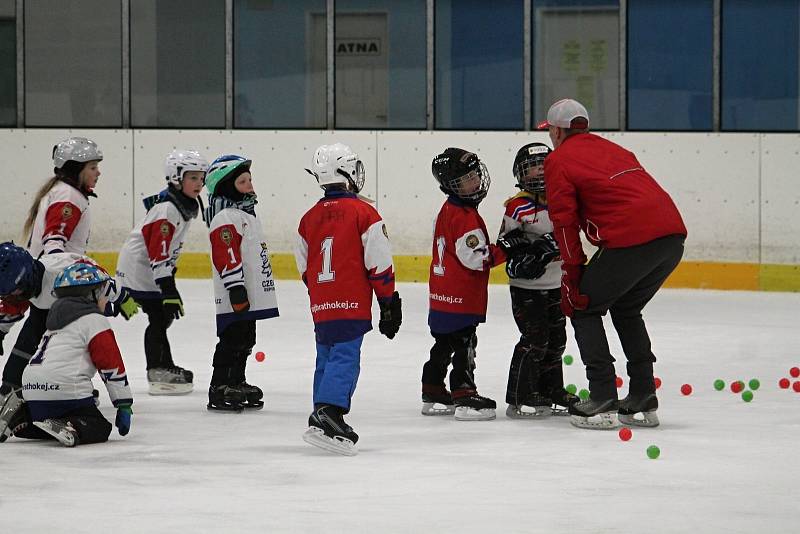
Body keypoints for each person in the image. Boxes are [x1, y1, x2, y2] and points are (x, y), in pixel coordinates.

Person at [538, 98, 687, 429]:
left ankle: (602, 397)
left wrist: (572, 275)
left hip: (631, 240)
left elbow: (564, 221)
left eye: (550, 131)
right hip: (672, 239)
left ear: (558, 131)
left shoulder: (559, 160)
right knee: (626, 308)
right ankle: (643, 396)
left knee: (583, 307)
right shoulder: (616, 150)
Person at [294, 143, 401, 456]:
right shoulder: (364, 213)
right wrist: (388, 302)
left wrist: (320, 292)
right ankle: (330, 412)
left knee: (326, 354)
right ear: (347, 171)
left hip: (321, 302)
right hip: (351, 301)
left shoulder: (308, 217)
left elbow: (304, 265)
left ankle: (319, 414)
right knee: (345, 356)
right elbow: (378, 262)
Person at [423, 148, 525, 421]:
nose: (475, 181)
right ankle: (463, 393)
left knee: (442, 345)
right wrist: (506, 248)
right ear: (450, 186)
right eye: (465, 179)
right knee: (464, 345)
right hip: (460, 297)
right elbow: (477, 259)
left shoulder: (447, 210)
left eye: (474, 174)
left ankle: (432, 389)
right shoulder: (465, 217)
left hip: (442, 296)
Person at [0, 263, 133, 446]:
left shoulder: (54, 320)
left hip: (31, 387)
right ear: (91, 295)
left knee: (43, 423)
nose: (106, 298)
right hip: (65, 388)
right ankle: (69, 425)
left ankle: (20, 415)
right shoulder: (95, 321)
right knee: (99, 426)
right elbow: (110, 363)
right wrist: (123, 402)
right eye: (103, 293)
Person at [116, 149, 208, 395]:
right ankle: (157, 371)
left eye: (201, 178)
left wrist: (168, 283)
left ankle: (162, 366)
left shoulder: (182, 204)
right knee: (159, 315)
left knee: (162, 316)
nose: (199, 183)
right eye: (193, 178)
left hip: (149, 269)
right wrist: (168, 288)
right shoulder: (167, 209)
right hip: (139, 270)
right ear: (176, 178)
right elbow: (158, 251)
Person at [0, 243, 137, 408]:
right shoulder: (25, 282)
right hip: (49, 306)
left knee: (70, 347)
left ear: (26, 279)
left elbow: (102, 281)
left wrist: (122, 297)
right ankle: (9, 389)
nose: (12, 297)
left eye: (13, 292)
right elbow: (13, 305)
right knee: (26, 342)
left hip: (79, 303)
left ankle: (73, 392)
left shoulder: (64, 274)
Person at [499, 142, 577, 419]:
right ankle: (519, 396)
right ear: (520, 174)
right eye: (531, 167)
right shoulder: (518, 206)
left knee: (557, 340)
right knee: (535, 339)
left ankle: (551, 389)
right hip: (527, 288)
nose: (538, 173)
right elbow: (508, 243)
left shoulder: (563, 199)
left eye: (544, 166)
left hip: (556, 284)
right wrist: (529, 254)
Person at [205, 155, 279, 411]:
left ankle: (237, 380)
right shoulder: (226, 217)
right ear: (226, 186)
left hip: (249, 294)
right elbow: (227, 254)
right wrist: (236, 288)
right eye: (242, 181)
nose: (249, 185)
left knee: (246, 339)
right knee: (231, 339)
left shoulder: (245, 215)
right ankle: (219, 385)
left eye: (249, 180)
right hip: (234, 294)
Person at [23, 137, 103, 257]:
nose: (98, 172)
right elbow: (53, 243)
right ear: (76, 170)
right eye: (92, 167)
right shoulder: (68, 195)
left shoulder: (62, 190)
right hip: (51, 273)